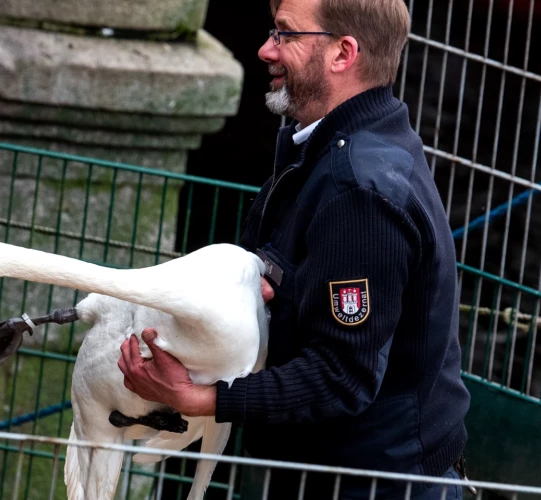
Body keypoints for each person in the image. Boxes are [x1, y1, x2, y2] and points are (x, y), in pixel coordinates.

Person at [118, 0, 472, 497]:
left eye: (285, 34)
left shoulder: (360, 191)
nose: (266, 49)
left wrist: (202, 399)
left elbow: (344, 376)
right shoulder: (321, 149)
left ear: (342, 53)